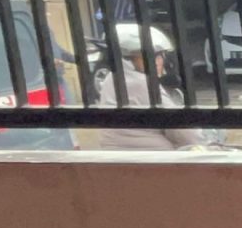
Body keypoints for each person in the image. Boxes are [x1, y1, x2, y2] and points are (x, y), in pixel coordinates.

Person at [79, 24, 218, 151]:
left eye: (160, 55)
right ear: (126, 58)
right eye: (148, 56)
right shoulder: (141, 84)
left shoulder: (112, 78)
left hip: (120, 155)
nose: (158, 61)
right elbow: (179, 127)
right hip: (153, 159)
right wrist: (204, 143)